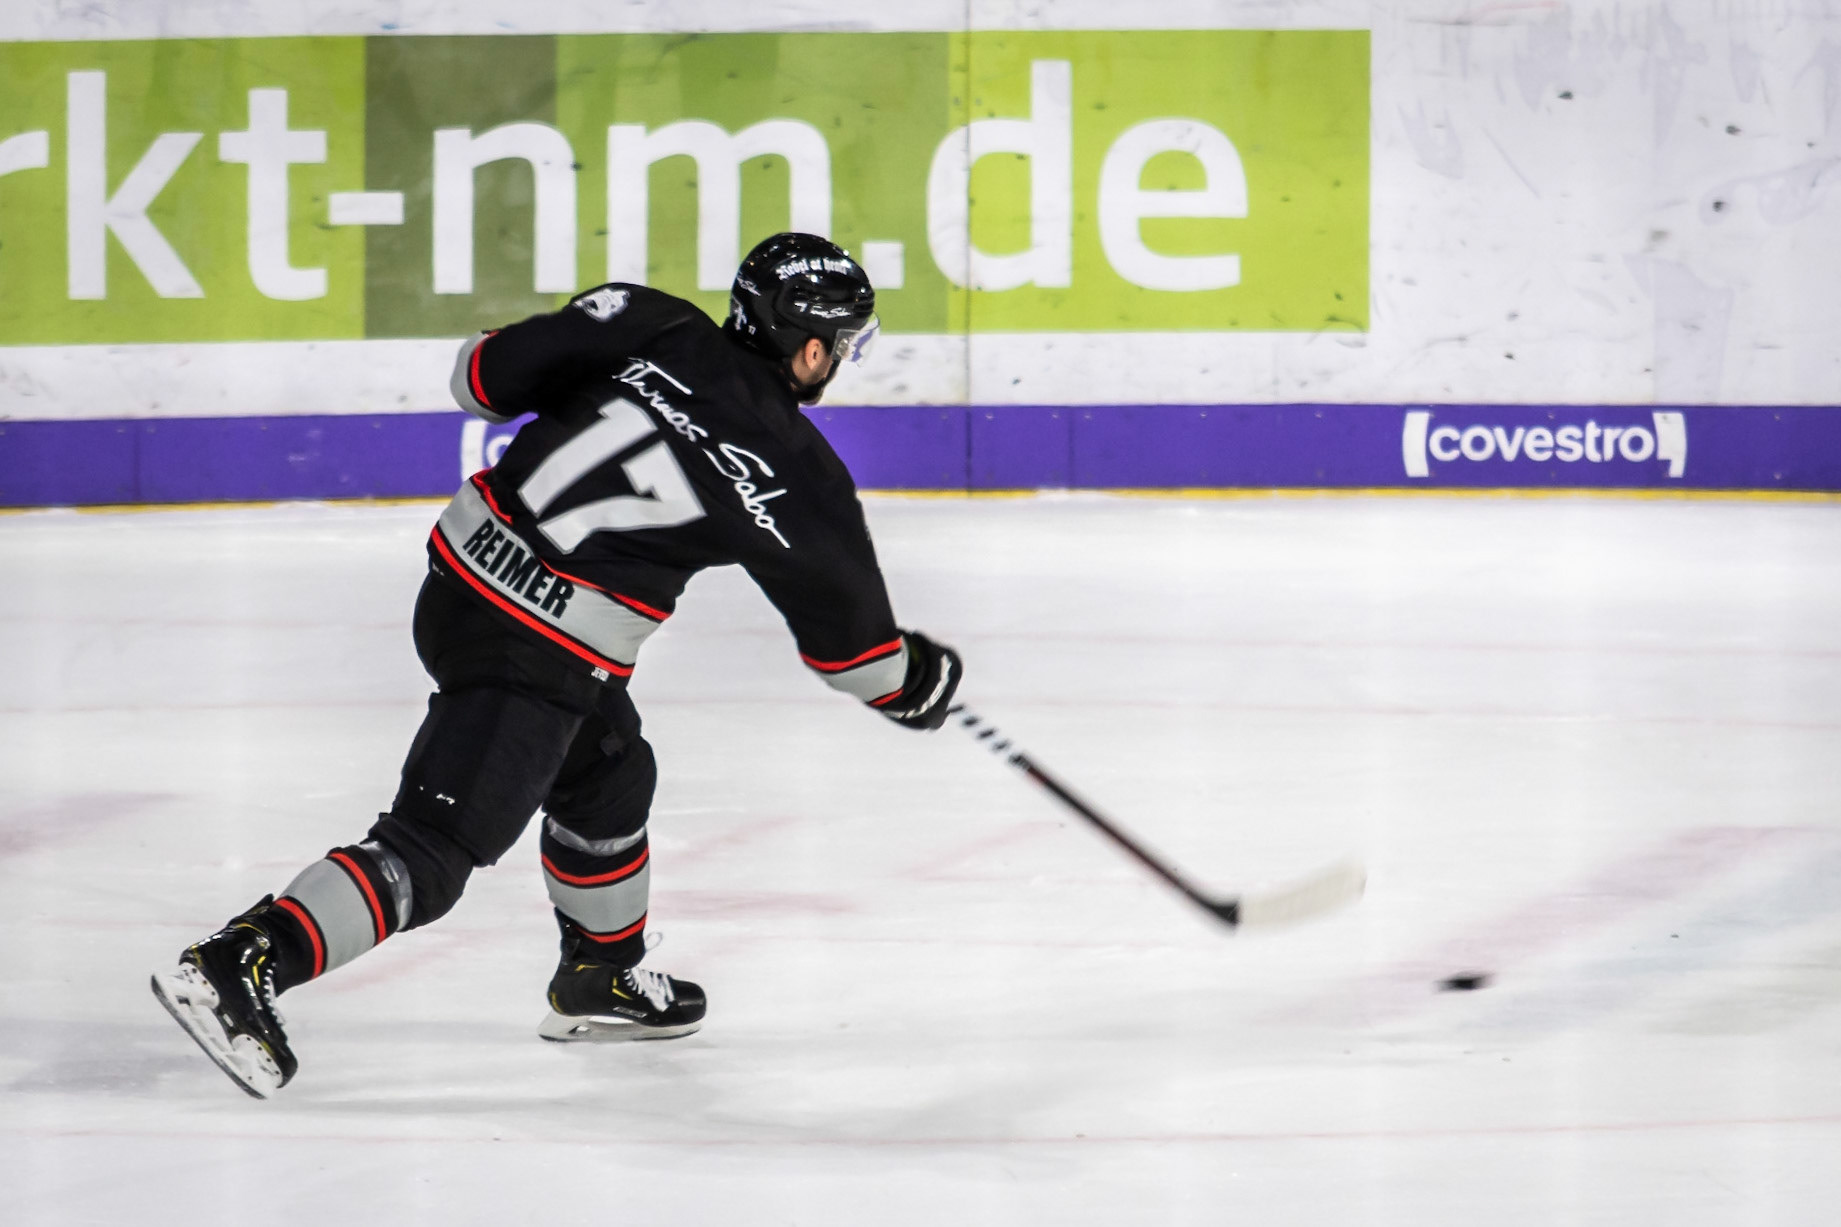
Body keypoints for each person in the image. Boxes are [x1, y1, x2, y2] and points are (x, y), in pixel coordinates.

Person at [151, 233, 964, 1099]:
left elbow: (477, 378)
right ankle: (241, 961)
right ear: (812, 348)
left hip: (457, 587)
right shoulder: (793, 469)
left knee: (609, 769)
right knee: (432, 851)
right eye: (841, 347)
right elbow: (863, 660)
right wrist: (921, 682)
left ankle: (599, 974)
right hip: (533, 655)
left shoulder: (651, 320)